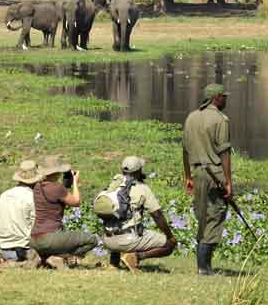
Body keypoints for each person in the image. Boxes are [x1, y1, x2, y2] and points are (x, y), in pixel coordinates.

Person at [183, 85, 232, 276]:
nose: (226, 101)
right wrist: (228, 182)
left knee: (202, 215)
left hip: (197, 173)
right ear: (217, 98)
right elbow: (225, 153)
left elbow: (185, 150)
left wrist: (187, 176)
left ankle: (203, 265)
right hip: (215, 175)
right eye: (224, 97)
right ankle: (204, 267)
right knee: (215, 215)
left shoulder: (191, 117)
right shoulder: (221, 120)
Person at [98, 155, 177, 272]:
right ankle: (135, 257)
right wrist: (170, 237)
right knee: (169, 245)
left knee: (119, 219)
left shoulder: (113, 185)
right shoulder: (142, 189)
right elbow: (157, 215)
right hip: (127, 240)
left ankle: (114, 263)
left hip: (107, 239)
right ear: (138, 171)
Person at [31, 154, 99, 267]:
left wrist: (65, 185)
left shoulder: (37, 186)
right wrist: (75, 183)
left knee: (52, 244)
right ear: (57, 172)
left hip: (34, 239)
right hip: (50, 238)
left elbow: (55, 197)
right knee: (92, 240)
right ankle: (61, 258)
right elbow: (76, 202)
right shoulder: (57, 188)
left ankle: (46, 259)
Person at [0, 159, 42, 265]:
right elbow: (37, 226)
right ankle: (18, 264)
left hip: (4, 248)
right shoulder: (33, 197)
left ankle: (1, 257)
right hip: (24, 250)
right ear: (36, 180)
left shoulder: (4, 195)